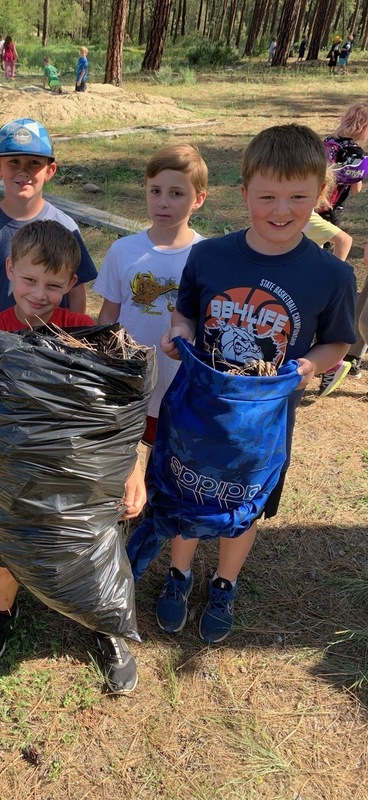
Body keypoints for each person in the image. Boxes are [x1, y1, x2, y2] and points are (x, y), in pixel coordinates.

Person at [155, 124, 356, 644]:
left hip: (263, 423)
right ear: (244, 193)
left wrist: (306, 367)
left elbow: (337, 343)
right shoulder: (210, 256)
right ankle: (178, 573)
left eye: (298, 198)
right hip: (201, 410)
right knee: (189, 489)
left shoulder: (331, 275)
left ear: (322, 196)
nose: (281, 210)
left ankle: (224, 581)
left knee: (244, 504)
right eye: (267, 197)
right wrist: (180, 333)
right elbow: (185, 312)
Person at [0, 219, 144, 694]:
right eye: (29, 279)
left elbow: (118, 416)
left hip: (78, 475)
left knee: (94, 550)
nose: (39, 294)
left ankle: (106, 626)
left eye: (54, 285)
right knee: (2, 556)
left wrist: (134, 469)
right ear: (9, 269)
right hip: (8, 476)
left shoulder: (88, 333)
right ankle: (3, 613)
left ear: (71, 283)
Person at [95, 144, 207, 452]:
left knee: (168, 460)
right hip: (129, 381)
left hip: (181, 384)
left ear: (198, 199)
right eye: (155, 191)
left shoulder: (207, 256)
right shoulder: (123, 250)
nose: (163, 202)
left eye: (176, 193)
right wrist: (104, 362)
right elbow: (109, 314)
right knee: (122, 456)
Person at [0, 118, 97, 333]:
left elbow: (76, 292)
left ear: (50, 170)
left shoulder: (66, 227)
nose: (23, 171)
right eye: (14, 161)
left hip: (52, 344)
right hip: (0, 342)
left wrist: (74, 339)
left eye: (34, 163)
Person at [318, 102, 368, 227]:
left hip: (315, 199)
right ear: (364, 128)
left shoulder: (328, 141)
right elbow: (356, 190)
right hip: (332, 206)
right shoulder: (356, 154)